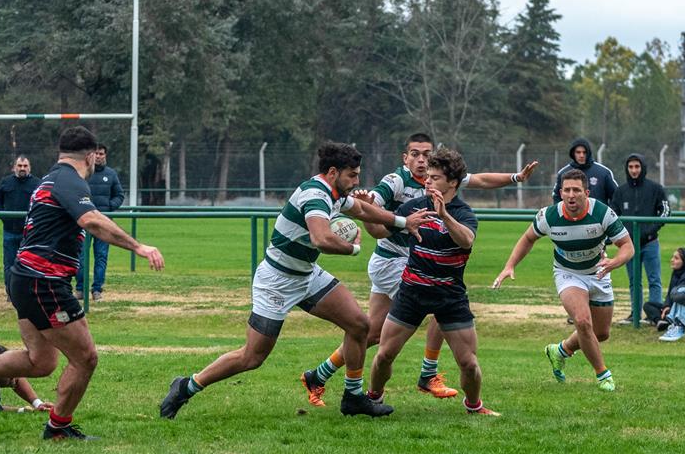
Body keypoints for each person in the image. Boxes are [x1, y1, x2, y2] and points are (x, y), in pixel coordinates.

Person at [158, 141, 433, 420]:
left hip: (306, 274)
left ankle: (353, 397)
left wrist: (402, 222)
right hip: (276, 280)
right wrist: (353, 248)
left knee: (359, 325)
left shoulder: (336, 192)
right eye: (353, 175)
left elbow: (362, 211)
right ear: (333, 172)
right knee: (253, 357)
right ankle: (186, 386)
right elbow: (321, 238)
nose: (357, 181)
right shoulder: (315, 195)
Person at [0, 126, 165, 441]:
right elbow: (92, 220)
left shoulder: (50, 179)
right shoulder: (69, 180)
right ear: (92, 156)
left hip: (25, 278)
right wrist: (138, 247)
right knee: (85, 358)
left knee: (40, 361)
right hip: (45, 282)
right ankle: (58, 428)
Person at [298, 132, 536, 407]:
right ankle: (427, 374)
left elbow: (481, 180)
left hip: (409, 258)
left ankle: (319, 375)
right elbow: (373, 209)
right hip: (393, 261)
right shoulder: (397, 180)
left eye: (426, 154)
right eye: (415, 154)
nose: (422, 161)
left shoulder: (441, 177)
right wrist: (366, 202)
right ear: (405, 157)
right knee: (433, 295)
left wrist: (516, 178)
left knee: (372, 332)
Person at [366, 148, 499, 416]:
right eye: (427, 176)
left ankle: (474, 405)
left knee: (469, 364)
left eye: (435, 178)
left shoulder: (463, 213)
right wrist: (366, 211)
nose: (427, 181)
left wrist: (444, 215)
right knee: (384, 355)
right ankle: (373, 398)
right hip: (412, 292)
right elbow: (379, 230)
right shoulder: (413, 208)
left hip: (449, 296)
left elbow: (466, 240)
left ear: (453, 183)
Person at [493, 168, 634, 392]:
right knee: (582, 321)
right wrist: (509, 266)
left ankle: (560, 350)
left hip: (599, 273)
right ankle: (603, 375)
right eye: (566, 190)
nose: (571, 195)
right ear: (560, 192)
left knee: (601, 333)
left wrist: (615, 262)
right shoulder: (549, 215)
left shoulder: (602, 213)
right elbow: (528, 238)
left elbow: (628, 247)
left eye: (576, 190)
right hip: (568, 273)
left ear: (586, 192)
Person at [614, 153, 670, 323]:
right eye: (630, 167)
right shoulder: (620, 191)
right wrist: (622, 235)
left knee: (654, 279)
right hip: (629, 245)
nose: (634, 170)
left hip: (651, 242)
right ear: (627, 169)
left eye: (637, 166)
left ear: (642, 167)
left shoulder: (656, 189)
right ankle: (635, 314)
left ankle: (655, 315)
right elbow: (613, 214)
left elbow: (666, 211)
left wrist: (650, 230)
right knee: (634, 281)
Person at [76, 144, 124, 301]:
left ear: (105, 155)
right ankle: (80, 288)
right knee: (81, 256)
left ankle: (97, 289)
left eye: (101, 153)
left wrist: (110, 207)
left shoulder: (111, 174)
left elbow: (119, 195)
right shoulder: (83, 173)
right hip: (85, 221)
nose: (98, 156)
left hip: (103, 223)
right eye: (95, 153)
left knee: (101, 256)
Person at [0, 156, 40, 292]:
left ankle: (27, 291)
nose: (22, 169)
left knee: (29, 263)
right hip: (9, 230)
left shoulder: (37, 183)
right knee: (9, 263)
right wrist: (4, 217)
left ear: (29, 167)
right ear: (14, 167)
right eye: (19, 166)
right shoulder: (6, 182)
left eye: (25, 166)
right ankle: (10, 291)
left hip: (29, 232)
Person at [551, 137, 617, 204]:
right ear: (573, 153)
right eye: (578, 152)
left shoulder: (603, 172)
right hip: (572, 214)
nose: (581, 155)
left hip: (597, 214)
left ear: (588, 153)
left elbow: (616, 196)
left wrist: (608, 212)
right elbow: (556, 197)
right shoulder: (563, 173)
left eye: (584, 152)